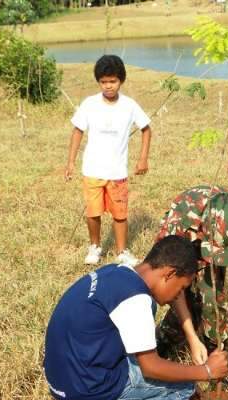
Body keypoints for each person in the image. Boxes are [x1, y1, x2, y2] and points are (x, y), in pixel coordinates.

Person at [44, 236, 228, 400]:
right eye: (181, 288)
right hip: (84, 386)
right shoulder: (137, 301)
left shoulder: (117, 272)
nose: (178, 296)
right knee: (183, 387)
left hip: (60, 378)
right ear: (169, 274)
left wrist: (191, 338)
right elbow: (150, 367)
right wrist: (207, 371)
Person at [155, 186, 228, 366]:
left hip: (209, 240)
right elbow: (172, 284)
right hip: (188, 241)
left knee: (211, 297)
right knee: (188, 296)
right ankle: (165, 338)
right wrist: (192, 338)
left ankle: (215, 347)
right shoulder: (180, 220)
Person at [64, 54, 152, 266]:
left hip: (117, 172)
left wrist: (143, 159)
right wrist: (70, 162)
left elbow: (146, 129)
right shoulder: (89, 104)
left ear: (121, 80)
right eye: (103, 82)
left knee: (120, 214)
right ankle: (94, 247)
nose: (108, 86)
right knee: (93, 212)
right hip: (93, 169)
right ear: (98, 82)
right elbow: (77, 131)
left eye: (112, 81)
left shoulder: (129, 105)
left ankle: (122, 251)